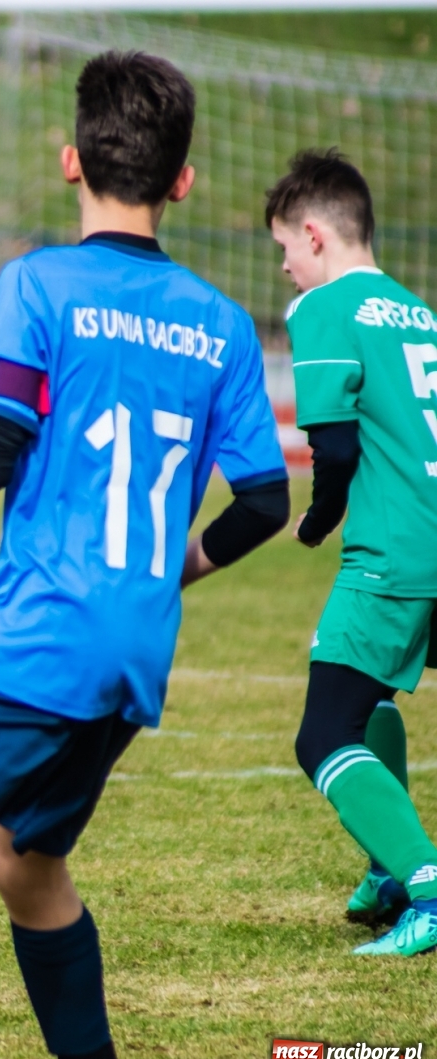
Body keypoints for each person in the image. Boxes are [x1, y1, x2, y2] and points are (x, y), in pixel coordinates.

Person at [0, 52, 290, 1059]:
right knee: (23, 860)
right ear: (182, 182)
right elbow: (266, 500)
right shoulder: (219, 321)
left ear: (70, 160)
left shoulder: (38, 283)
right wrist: (174, 570)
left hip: (36, 640)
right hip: (131, 655)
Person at [270, 148, 437, 956]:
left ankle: (428, 887)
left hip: (394, 554)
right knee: (370, 695)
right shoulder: (420, 311)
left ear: (314, 236)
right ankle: (387, 869)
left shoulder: (326, 309)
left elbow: (332, 447)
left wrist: (318, 518)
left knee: (322, 733)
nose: (285, 270)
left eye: (285, 252)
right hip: (430, 540)